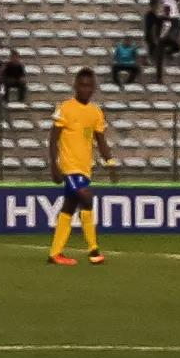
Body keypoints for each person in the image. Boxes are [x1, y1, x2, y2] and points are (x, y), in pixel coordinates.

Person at [47, 68, 118, 266]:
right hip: (69, 167)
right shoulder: (65, 108)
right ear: (76, 86)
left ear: (94, 88)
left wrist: (110, 162)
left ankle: (55, 253)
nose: (86, 89)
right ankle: (93, 249)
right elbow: (53, 140)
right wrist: (54, 165)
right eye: (82, 85)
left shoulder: (95, 112)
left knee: (69, 207)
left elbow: (101, 139)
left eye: (89, 86)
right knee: (87, 198)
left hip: (85, 168)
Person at [142, 0, 166, 64]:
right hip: (151, 40)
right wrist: (155, 40)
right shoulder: (149, 15)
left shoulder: (156, 15)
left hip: (155, 39)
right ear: (153, 5)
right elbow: (152, 28)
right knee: (153, 59)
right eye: (157, 4)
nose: (158, 6)